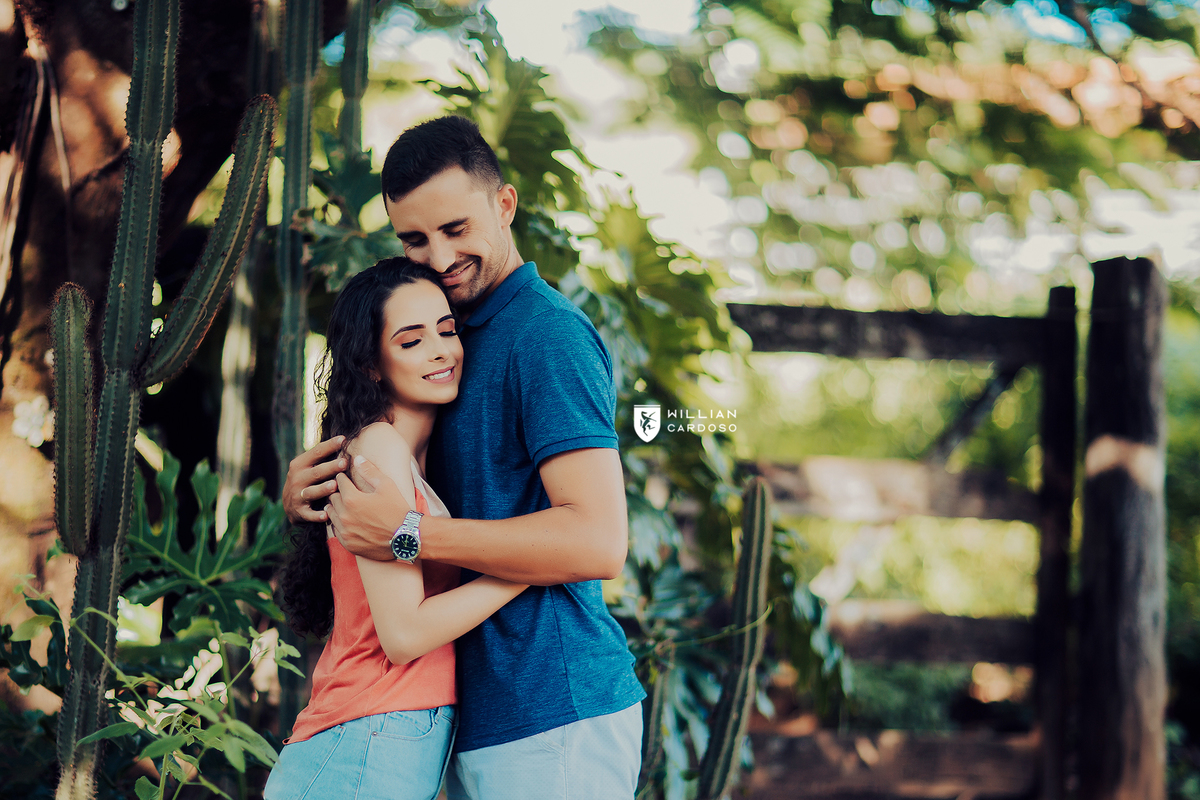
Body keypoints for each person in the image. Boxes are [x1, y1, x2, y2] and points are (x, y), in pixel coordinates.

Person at [283, 115, 646, 799]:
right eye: (415, 239)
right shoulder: (451, 337)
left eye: (456, 228)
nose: (440, 256)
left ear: (504, 205)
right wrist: (314, 492)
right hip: (461, 714)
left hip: (551, 706)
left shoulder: (547, 336)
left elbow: (599, 541)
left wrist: (405, 534)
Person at [265, 258, 527, 800]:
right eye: (411, 341)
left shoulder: (408, 456)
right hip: (365, 734)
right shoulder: (378, 448)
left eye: (447, 330)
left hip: (378, 733)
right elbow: (404, 634)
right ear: (371, 366)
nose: (441, 351)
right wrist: (530, 566)